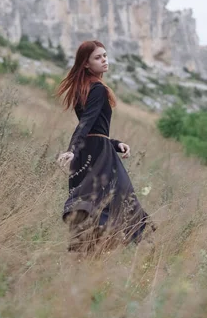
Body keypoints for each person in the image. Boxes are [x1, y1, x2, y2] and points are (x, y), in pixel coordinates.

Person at [56, 40, 154, 253]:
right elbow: (86, 123)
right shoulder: (98, 88)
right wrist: (71, 149)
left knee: (93, 204)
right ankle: (132, 249)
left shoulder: (83, 88)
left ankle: (89, 256)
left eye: (105, 55)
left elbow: (92, 128)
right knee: (123, 200)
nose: (104, 60)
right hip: (98, 155)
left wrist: (116, 144)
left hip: (87, 151)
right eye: (98, 57)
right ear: (86, 64)